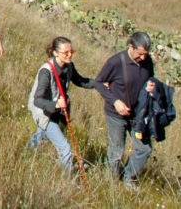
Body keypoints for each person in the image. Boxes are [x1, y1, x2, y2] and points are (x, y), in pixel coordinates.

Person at [95, 32, 155, 189]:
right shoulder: (116, 62)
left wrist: (150, 86)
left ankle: (127, 177)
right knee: (117, 150)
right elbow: (99, 83)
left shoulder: (147, 62)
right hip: (116, 115)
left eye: (146, 55)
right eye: (140, 54)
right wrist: (115, 102)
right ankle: (110, 182)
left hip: (137, 115)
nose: (143, 58)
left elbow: (150, 79)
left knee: (144, 148)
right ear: (131, 47)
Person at [27, 36, 95, 172]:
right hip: (44, 112)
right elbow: (37, 100)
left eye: (71, 52)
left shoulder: (69, 66)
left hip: (58, 112)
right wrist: (55, 104)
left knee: (43, 134)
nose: (70, 55)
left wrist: (99, 84)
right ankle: (66, 180)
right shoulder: (46, 72)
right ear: (55, 53)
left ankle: (28, 150)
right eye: (66, 53)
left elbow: (80, 81)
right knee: (65, 148)